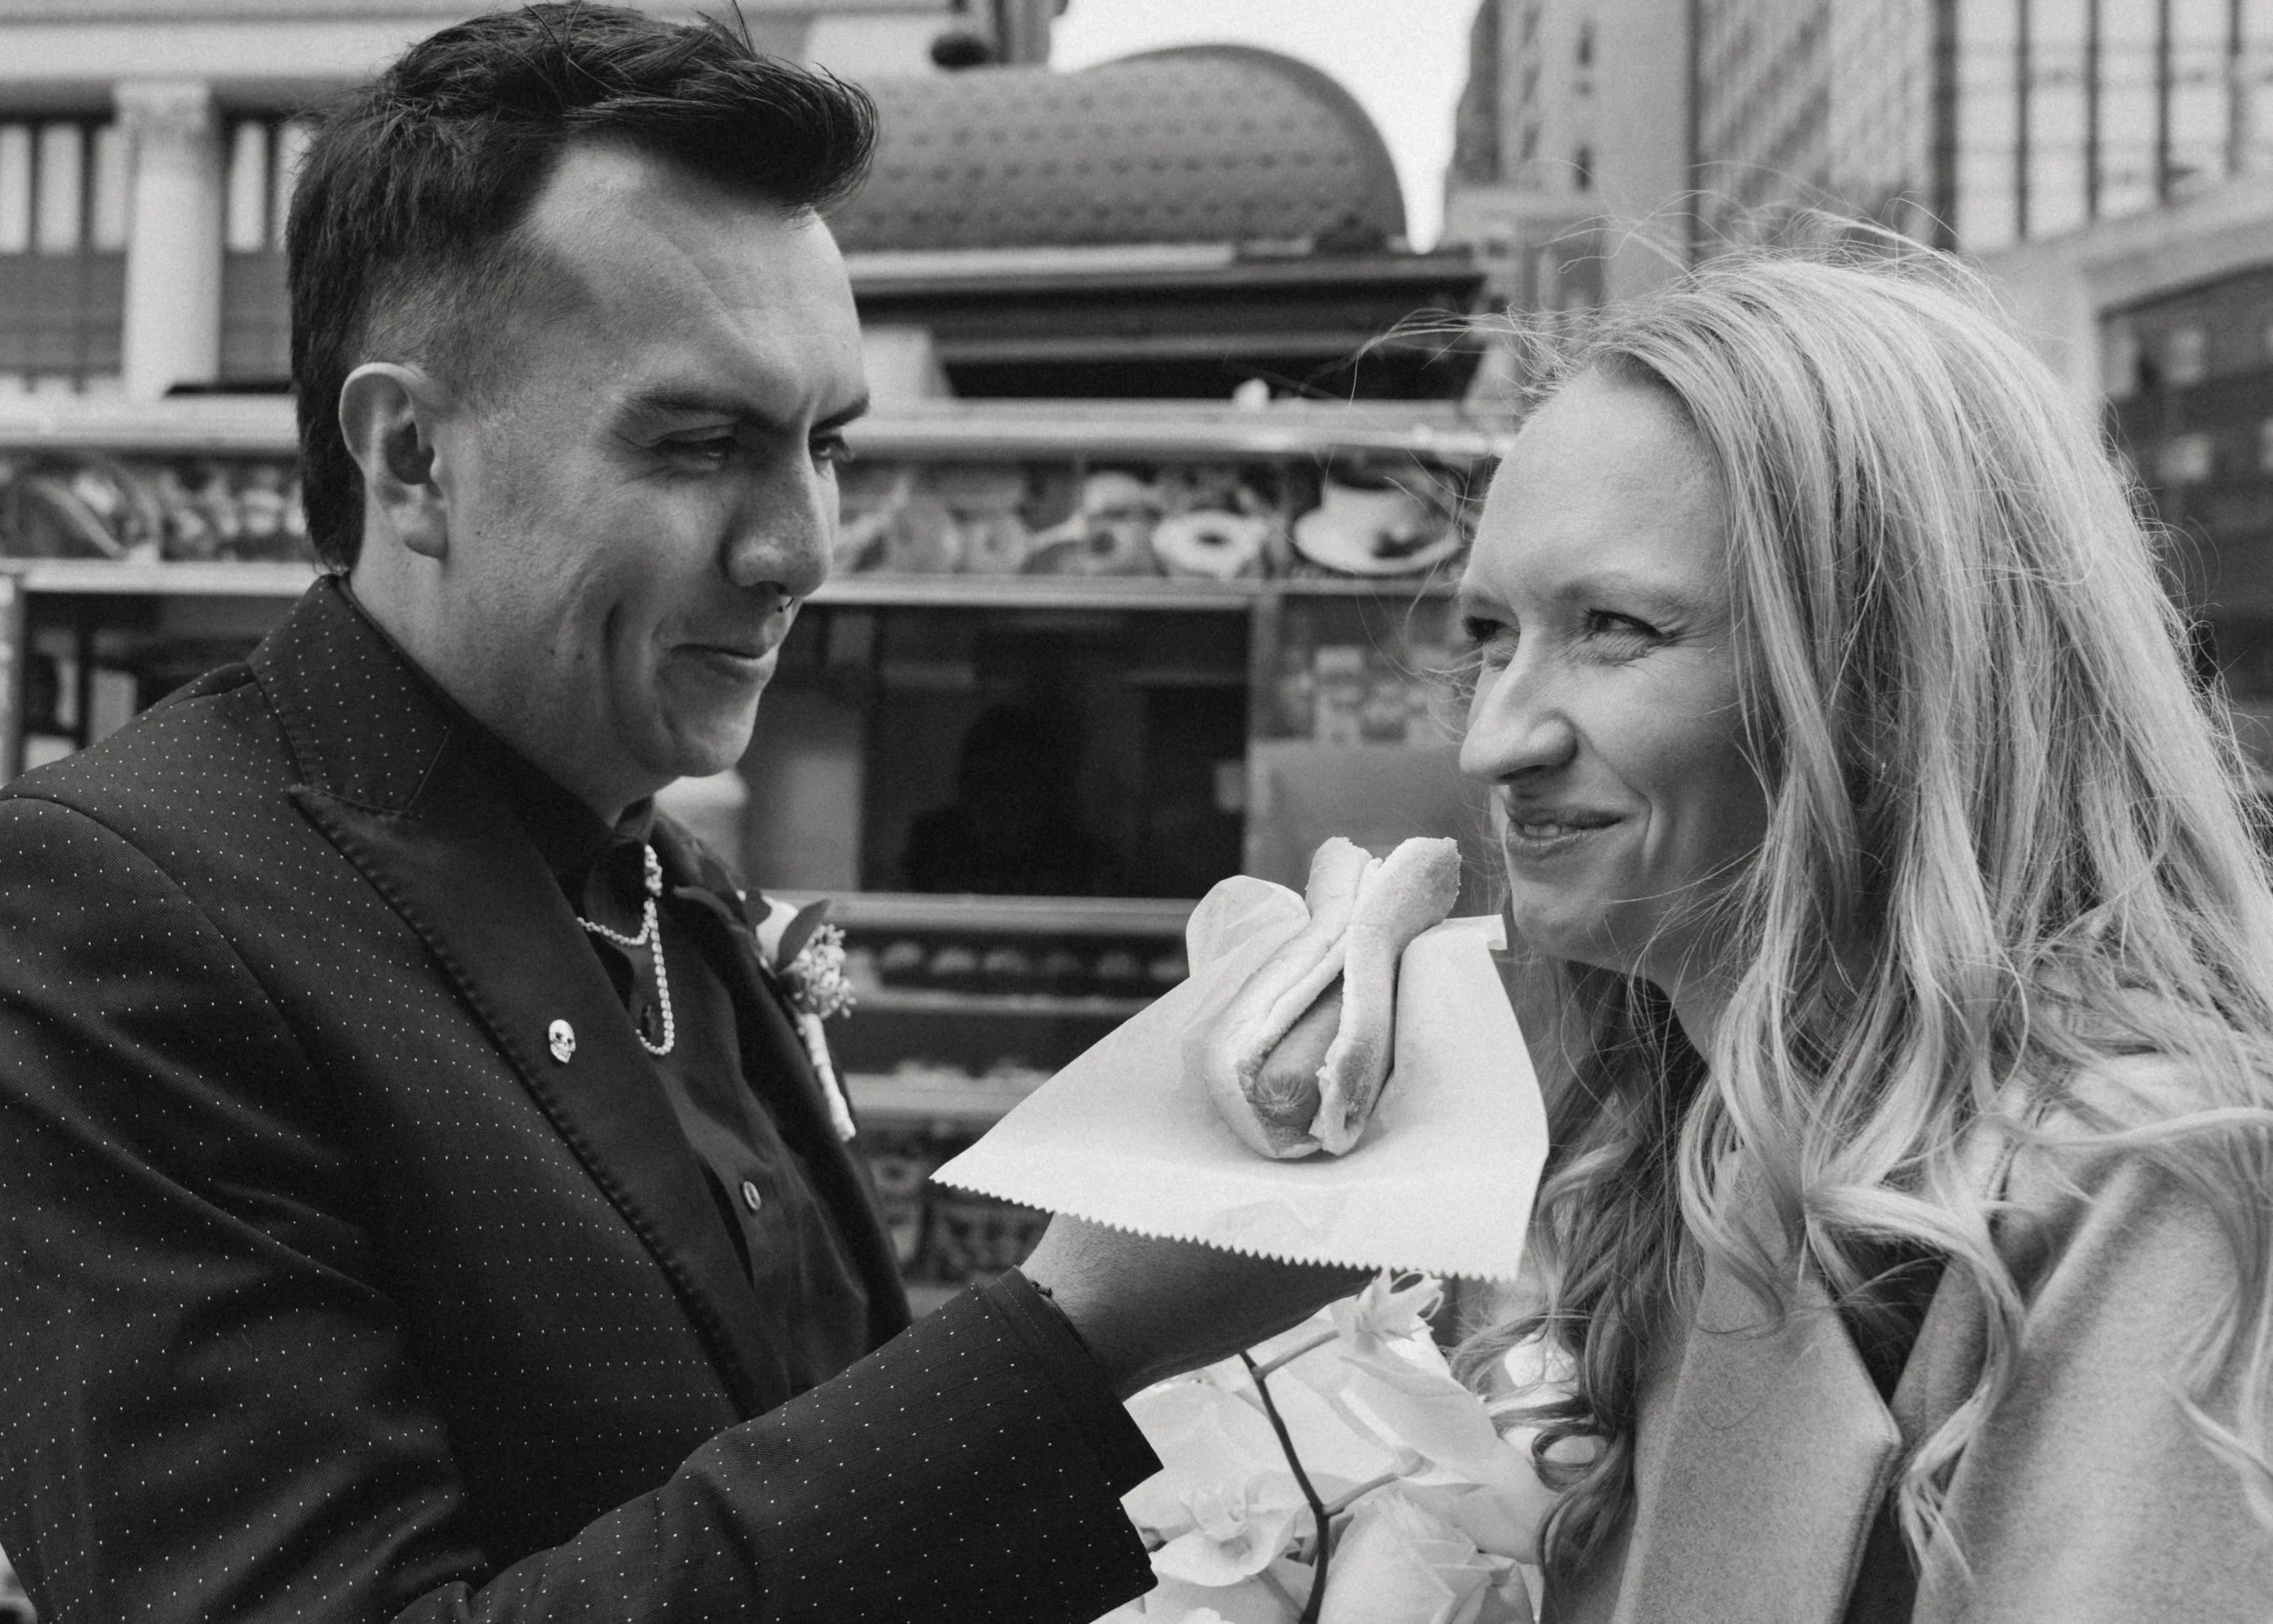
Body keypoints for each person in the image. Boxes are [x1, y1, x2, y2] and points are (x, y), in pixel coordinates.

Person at [0, 9, 1357, 1620]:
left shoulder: (668, 882)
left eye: (825, 445)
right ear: (411, 455)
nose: (804, 548)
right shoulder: (112, 910)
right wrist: (1078, 1331)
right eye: (703, 443)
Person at [1451, 245, 2273, 1622]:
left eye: (1615, 628)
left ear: (1891, 674)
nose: (1495, 739)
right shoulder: (1677, 1162)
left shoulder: (2155, 1189)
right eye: (1490, 633)